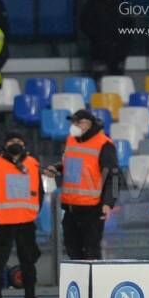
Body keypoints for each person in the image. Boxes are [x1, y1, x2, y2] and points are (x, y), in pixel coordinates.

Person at [0, 132, 49, 298]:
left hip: (26, 221)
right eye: (11, 141)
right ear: (4, 145)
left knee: (29, 261)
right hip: (3, 221)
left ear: (25, 144)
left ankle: (30, 297)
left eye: (19, 140)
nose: (15, 143)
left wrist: (35, 209)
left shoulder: (33, 163)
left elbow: (40, 190)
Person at [43, 110, 119, 260]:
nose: (75, 126)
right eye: (74, 122)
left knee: (91, 252)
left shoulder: (104, 144)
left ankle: (93, 284)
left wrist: (108, 203)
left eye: (80, 122)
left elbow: (114, 177)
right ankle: (80, 284)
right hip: (71, 208)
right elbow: (70, 164)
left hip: (92, 210)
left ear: (90, 124)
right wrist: (57, 168)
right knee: (73, 251)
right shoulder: (71, 140)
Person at [80, 0, 133, 80]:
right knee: (100, 84)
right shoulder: (91, 5)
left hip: (118, 54)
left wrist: (124, 47)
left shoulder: (121, 5)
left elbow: (129, 27)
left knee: (117, 84)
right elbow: (84, 25)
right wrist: (97, 38)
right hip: (99, 53)